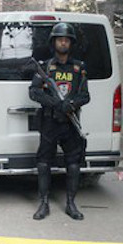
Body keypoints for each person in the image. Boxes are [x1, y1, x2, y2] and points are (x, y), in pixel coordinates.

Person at [29, 22, 90, 221]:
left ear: (70, 43)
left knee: (73, 164)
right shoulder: (45, 66)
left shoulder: (78, 67)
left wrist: (70, 104)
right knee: (44, 163)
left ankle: (71, 204)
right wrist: (55, 103)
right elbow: (34, 92)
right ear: (53, 42)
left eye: (66, 40)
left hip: (70, 123)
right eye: (59, 39)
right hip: (50, 122)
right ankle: (44, 203)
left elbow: (85, 96)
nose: (63, 42)